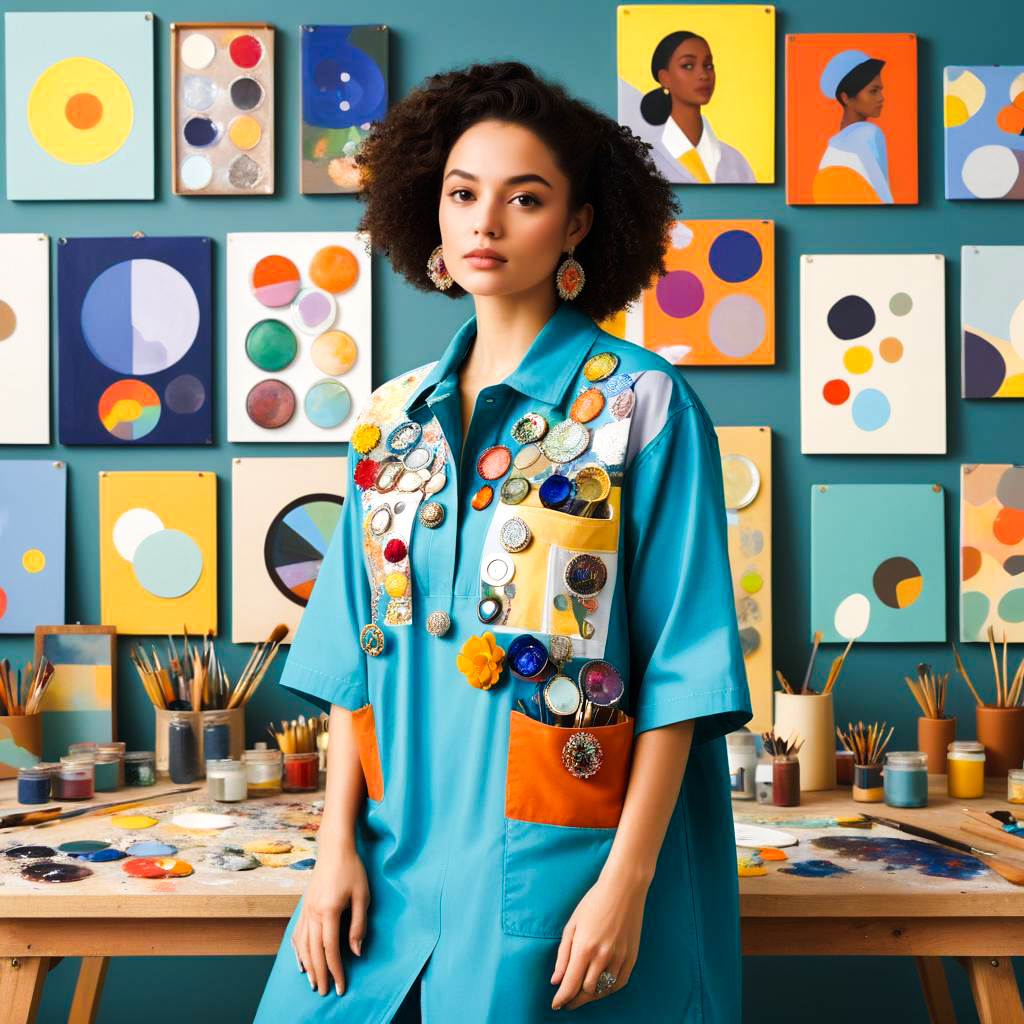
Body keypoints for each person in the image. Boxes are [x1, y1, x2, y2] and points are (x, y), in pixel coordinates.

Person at [252, 61, 751, 1024]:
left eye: (525, 198)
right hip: (391, 866)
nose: (486, 222)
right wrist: (333, 853)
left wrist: (627, 884)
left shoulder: (642, 407)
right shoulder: (389, 421)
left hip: (564, 870)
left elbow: (682, 671)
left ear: (575, 225)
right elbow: (361, 664)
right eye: (462, 194)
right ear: (430, 217)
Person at [624, 30, 756, 184]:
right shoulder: (645, 159)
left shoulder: (735, 162)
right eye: (688, 65)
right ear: (664, 77)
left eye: (708, 65)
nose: (704, 75)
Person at [812, 49, 893, 204]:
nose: (881, 98)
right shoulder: (869, 133)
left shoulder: (833, 146)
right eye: (873, 91)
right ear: (846, 98)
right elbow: (884, 198)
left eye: (880, 90)